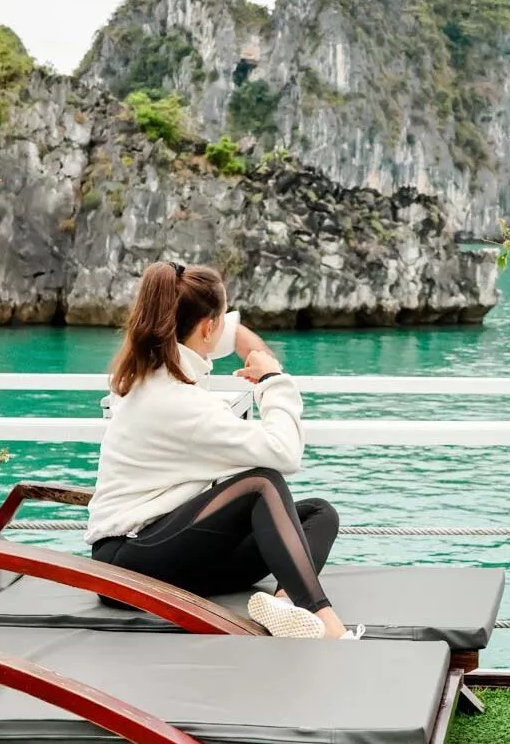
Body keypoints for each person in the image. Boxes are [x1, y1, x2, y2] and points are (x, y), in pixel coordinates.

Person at [86, 261, 361, 640]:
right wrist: (273, 381)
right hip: (128, 565)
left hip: (172, 552)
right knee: (261, 484)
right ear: (207, 327)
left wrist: (237, 336)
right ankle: (329, 627)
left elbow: (212, 333)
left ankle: (287, 605)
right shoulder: (175, 400)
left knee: (318, 514)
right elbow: (284, 452)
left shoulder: (153, 372)